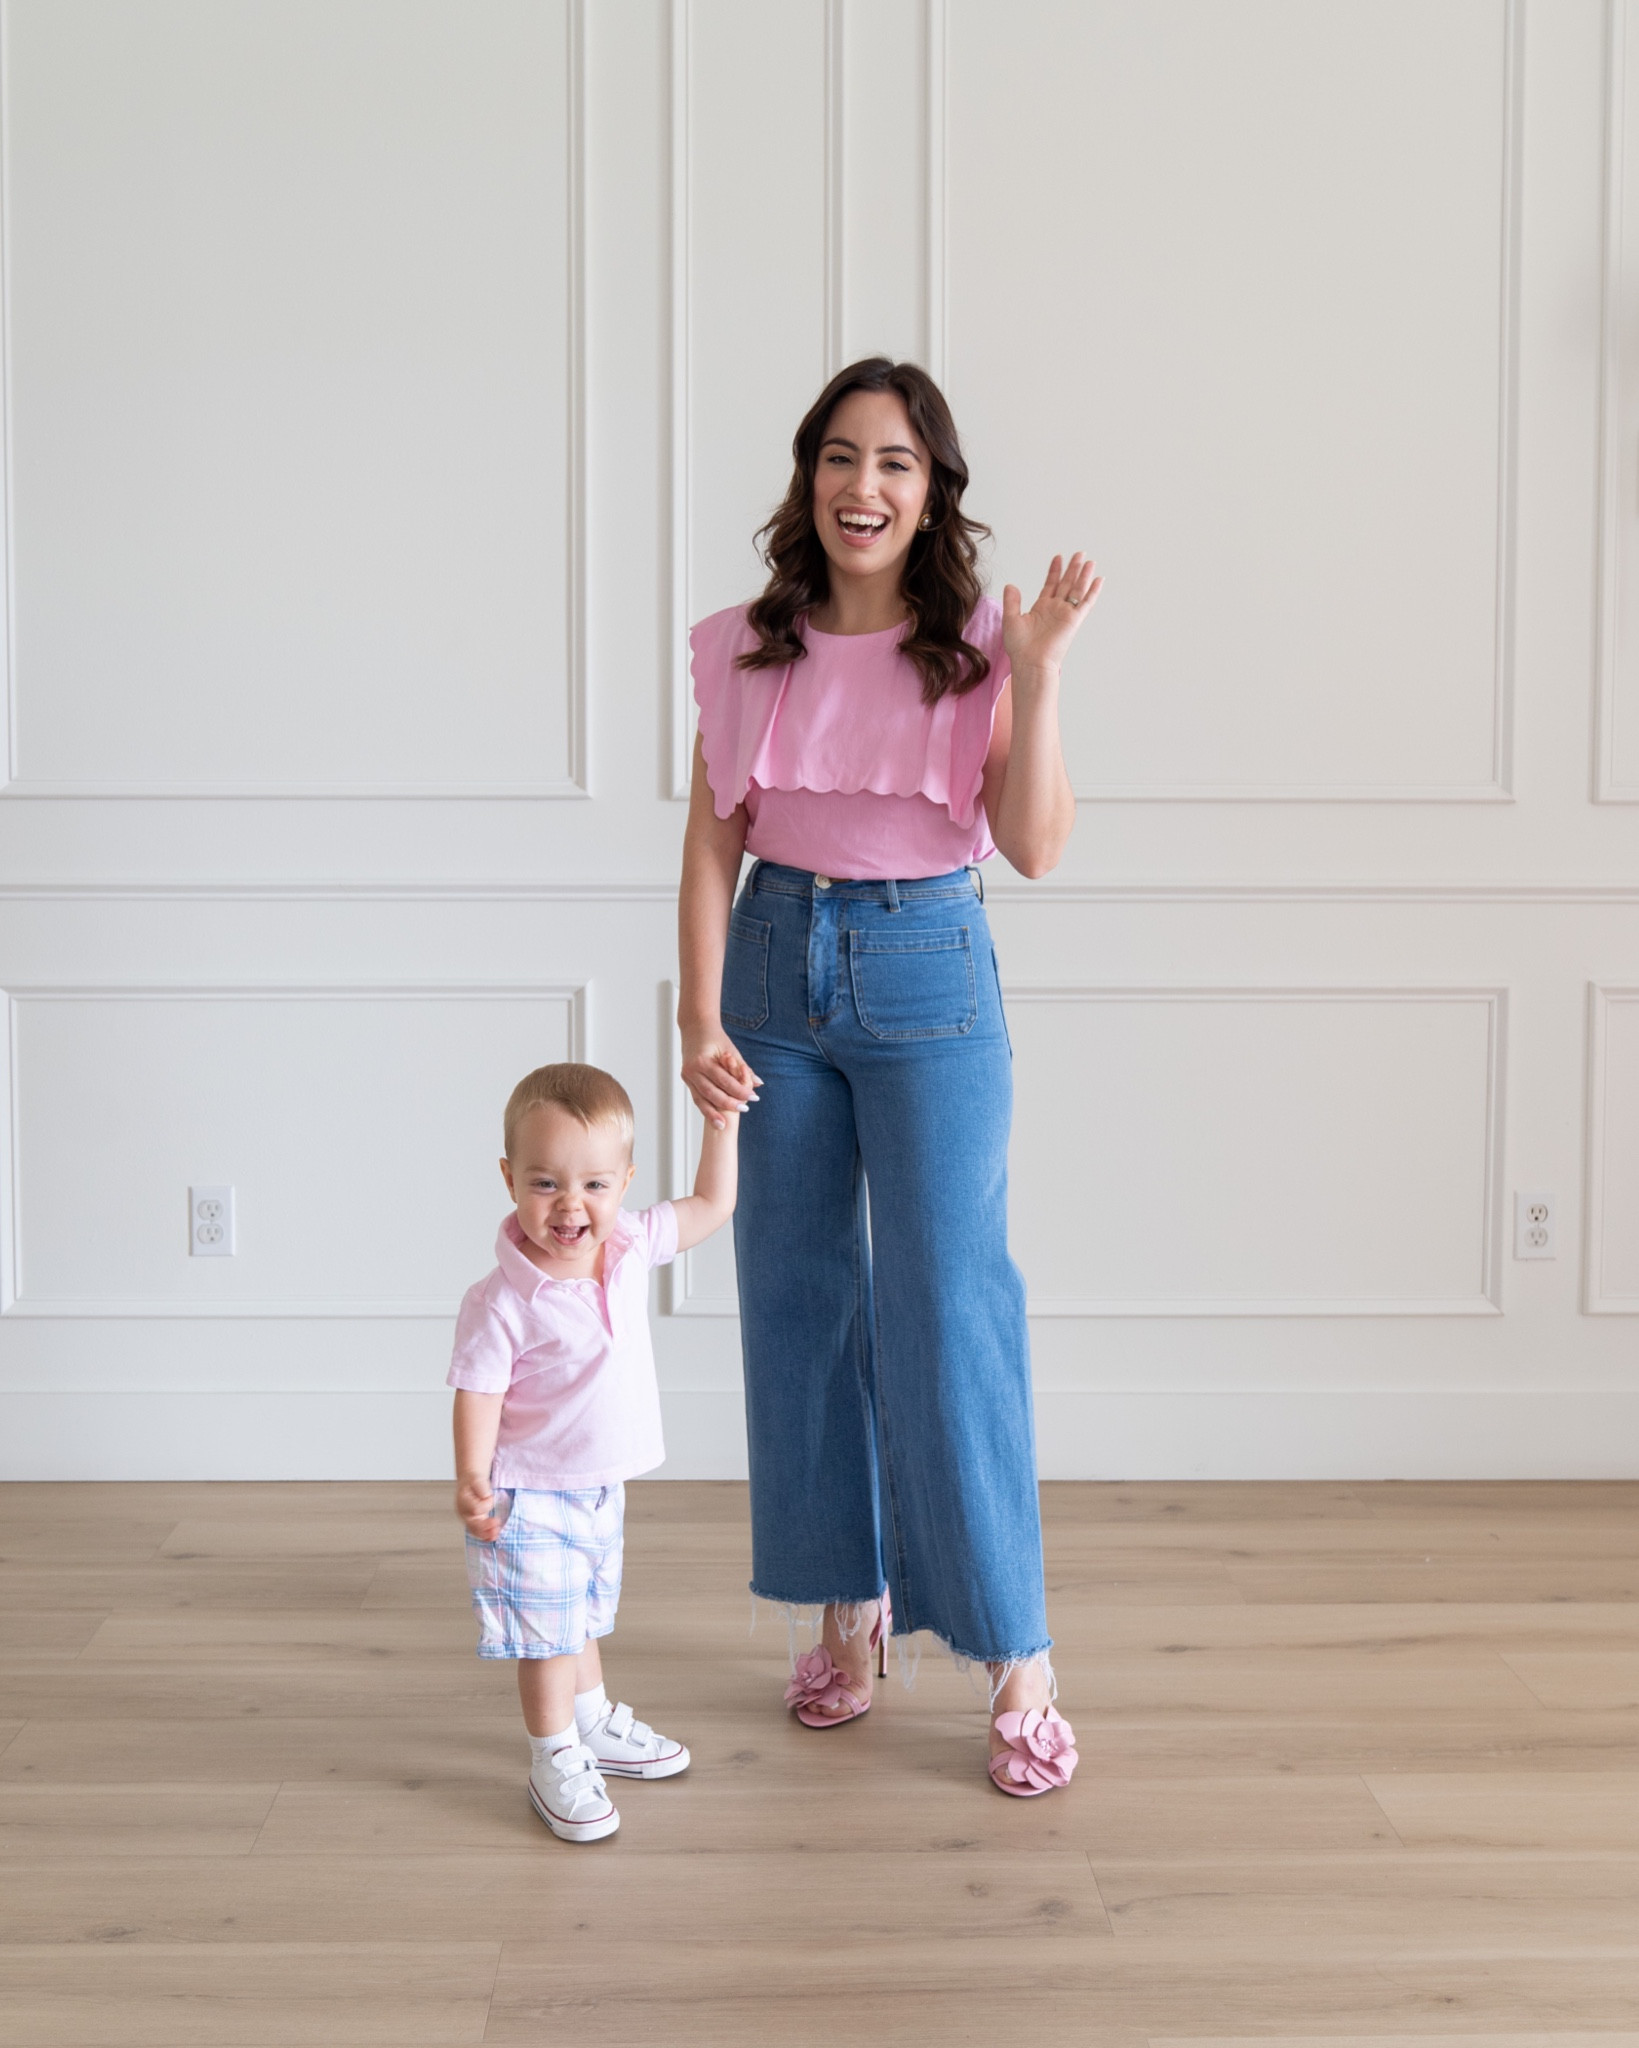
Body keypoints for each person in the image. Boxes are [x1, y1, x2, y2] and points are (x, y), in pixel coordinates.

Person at [677, 356, 1098, 1798]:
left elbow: (1032, 847)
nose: (865, 487)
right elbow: (708, 840)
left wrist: (1032, 675)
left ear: (931, 497)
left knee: (947, 1303)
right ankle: (843, 1616)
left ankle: (1014, 1655)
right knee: (793, 1299)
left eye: (896, 466)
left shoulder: (979, 645)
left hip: (928, 969)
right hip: (771, 970)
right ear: (809, 478)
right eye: (841, 458)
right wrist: (695, 1017)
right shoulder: (742, 643)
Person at [449, 1061, 739, 1841]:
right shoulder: (502, 1299)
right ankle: (553, 1755)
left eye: (594, 1186)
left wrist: (722, 1124)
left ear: (625, 1182)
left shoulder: (631, 1246)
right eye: (545, 1184)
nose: (571, 1206)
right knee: (546, 1634)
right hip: (526, 1493)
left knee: (580, 1618)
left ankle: (592, 1721)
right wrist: (472, 1478)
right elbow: (476, 1392)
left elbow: (714, 1203)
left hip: (598, 1484)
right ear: (510, 1179)